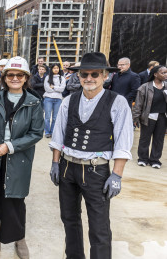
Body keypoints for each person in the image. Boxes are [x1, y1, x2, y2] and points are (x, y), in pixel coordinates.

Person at [49, 52, 133, 259]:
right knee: (69, 219)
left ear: (105, 76)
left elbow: (123, 140)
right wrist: (55, 163)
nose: (89, 78)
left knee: (99, 225)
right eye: (84, 74)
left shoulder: (117, 102)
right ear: (78, 76)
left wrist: (117, 175)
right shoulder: (69, 100)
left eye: (95, 74)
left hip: (96, 170)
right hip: (68, 167)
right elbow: (59, 133)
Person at [0, 56, 44, 259]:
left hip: (18, 159)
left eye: (19, 75)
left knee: (15, 201)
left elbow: (36, 133)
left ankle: (19, 239)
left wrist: (11, 146)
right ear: (4, 78)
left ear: (25, 78)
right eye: (11, 75)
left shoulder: (33, 104)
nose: (15, 78)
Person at [132, 65, 167, 169]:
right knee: (144, 138)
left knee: (159, 139)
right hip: (148, 117)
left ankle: (155, 160)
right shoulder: (145, 87)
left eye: (166, 72)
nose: (166, 75)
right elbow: (138, 104)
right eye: (163, 73)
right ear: (155, 74)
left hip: (162, 117)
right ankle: (142, 158)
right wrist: (136, 118)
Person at [43, 64, 66, 138]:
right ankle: (47, 132)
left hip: (58, 99)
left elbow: (62, 89)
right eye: (54, 68)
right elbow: (47, 89)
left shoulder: (62, 78)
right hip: (48, 98)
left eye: (57, 68)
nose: (56, 69)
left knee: (55, 117)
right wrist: (57, 89)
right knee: (47, 116)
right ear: (51, 69)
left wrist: (53, 87)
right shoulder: (47, 77)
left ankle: (53, 131)